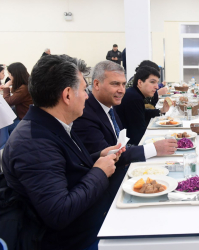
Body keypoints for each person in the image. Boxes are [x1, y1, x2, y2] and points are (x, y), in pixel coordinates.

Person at [2, 54, 125, 250]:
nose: (87, 96)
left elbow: (64, 167)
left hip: (87, 224)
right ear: (67, 95)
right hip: (71, 240)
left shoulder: (54, 125)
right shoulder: (33, 142)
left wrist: (99, 157)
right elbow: (59, 213)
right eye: (84, 90)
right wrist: (99, 172)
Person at [73, 61, 177, 195]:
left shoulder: (109, 106)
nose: (122, 90)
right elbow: (110, 158)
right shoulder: (85, 114)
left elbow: (121, 143)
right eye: (115, 84)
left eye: (123, 84)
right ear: (97, 84)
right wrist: (154, 149)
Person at [115, 66, 171, 145]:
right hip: (127, 146)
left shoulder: (134, 93)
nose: (157, 87)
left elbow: (142, 113)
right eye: (152, 82)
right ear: (140, 83)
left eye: (157, 82)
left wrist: (161, 111)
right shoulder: (134, 98)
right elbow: (139, 134)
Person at [1, 62, 33, 133]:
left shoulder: (24, 89)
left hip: (25, 120)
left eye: (9, 74)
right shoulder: (26, 84)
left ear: (15, 75)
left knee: (4, 125)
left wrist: (6, 87)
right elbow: (15, 93)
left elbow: (7, 102)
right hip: (26, 117)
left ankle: (5, 143)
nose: (9, 76)